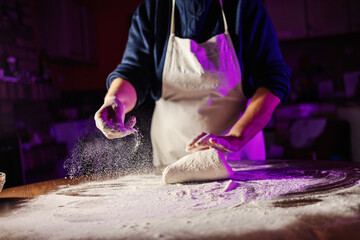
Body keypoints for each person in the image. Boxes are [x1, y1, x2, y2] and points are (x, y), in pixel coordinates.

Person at [94, 0, 291, 166]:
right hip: (171, 157)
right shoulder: (153, 9)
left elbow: (272, 79)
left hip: (239, 157)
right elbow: (134, 72)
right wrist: (115, 100)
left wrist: (236, 137)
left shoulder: (243, 6)